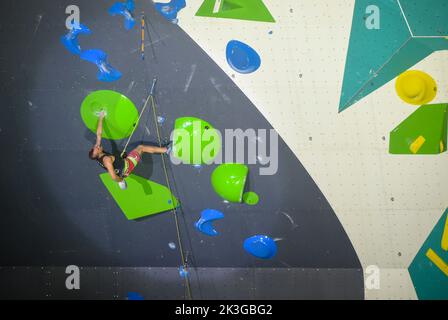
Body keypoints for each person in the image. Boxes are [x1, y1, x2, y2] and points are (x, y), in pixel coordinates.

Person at [88, 111, 169, 189]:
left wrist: (101, 117)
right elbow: (113, 177)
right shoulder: (106, 160)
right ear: (98, 153)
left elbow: (99, 134)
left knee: (121, 155)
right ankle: (166, 150)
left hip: (120, 167)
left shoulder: (98, 155)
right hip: (126, 167)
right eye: (97, 148)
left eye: (96, 147)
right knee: (141, 148)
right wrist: (121, 180)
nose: (97, 146)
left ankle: (122, 177)